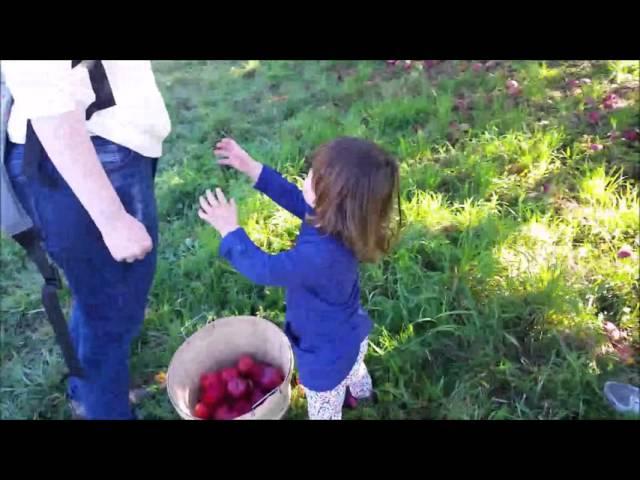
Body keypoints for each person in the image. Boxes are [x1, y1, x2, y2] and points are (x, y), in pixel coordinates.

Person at [2, 60, 171, 420]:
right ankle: (104, 406)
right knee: (112, 309)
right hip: (81, 157)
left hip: (101, 146)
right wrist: (111, 219)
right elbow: (46, 96)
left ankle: (90, 390)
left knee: (98, 297)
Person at [197, 137, 400, 419]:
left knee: (324, 410)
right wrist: (252, 167)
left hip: (325, 356)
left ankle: (341, 401)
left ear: (331, 198)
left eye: (312, 177)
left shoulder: (321, 256)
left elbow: (264, 268)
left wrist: (230, 232)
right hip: (350, 332)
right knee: (355, 365)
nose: (305, 179)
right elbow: (295, 198)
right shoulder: (344, 222)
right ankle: (364, 394)